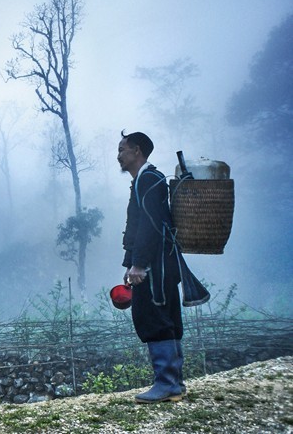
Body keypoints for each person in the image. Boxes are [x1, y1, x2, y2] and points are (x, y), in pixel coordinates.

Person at [117, 130, 184, 403]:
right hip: (157, 263)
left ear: (137, 151)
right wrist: (130, 263)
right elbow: (137, 227)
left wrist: (140, 265)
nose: (118, 155)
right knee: (166, 318)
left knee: (153, 317)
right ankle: (174, 384)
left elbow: (150, 225)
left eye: (122, 149)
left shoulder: (149, 179)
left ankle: (167, 383)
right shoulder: (143, 181)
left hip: (156, 265)